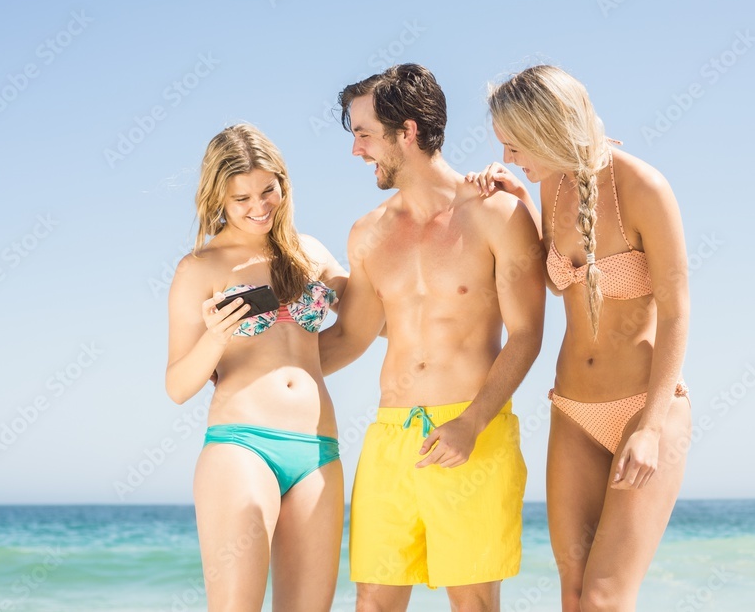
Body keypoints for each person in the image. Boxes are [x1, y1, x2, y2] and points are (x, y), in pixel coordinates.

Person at [319, 63, 545, 612]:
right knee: (372, 599)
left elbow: (526, 335)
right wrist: (265, 367)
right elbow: (351, 335)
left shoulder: (497, 213)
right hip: (390, 435)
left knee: (472, 601)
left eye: (364, 134)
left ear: (409, 131)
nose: (357, 151)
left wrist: (471, 421)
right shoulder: (367, 232)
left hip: (474, 427)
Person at [474, 64, 692, 612]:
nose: (509, 159)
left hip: (646, 410)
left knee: (603, 598)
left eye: (516, 146)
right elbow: (556, 280)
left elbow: (677, 313)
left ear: (548, 129)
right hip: (572, 410)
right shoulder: (552, 186)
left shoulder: (644, 186)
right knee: (572, 594)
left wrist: (649, 427)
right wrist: (521, 202)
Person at [165, 123, 347, 611]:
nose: (259, 206)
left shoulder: (311, 254)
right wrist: (218, 333)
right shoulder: (199, 267)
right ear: (218, 198)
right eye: (241, 197)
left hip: (318, 450)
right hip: (242, 446)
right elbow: (179, 385)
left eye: (269, 190)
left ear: (283, 182)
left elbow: (371, 318)